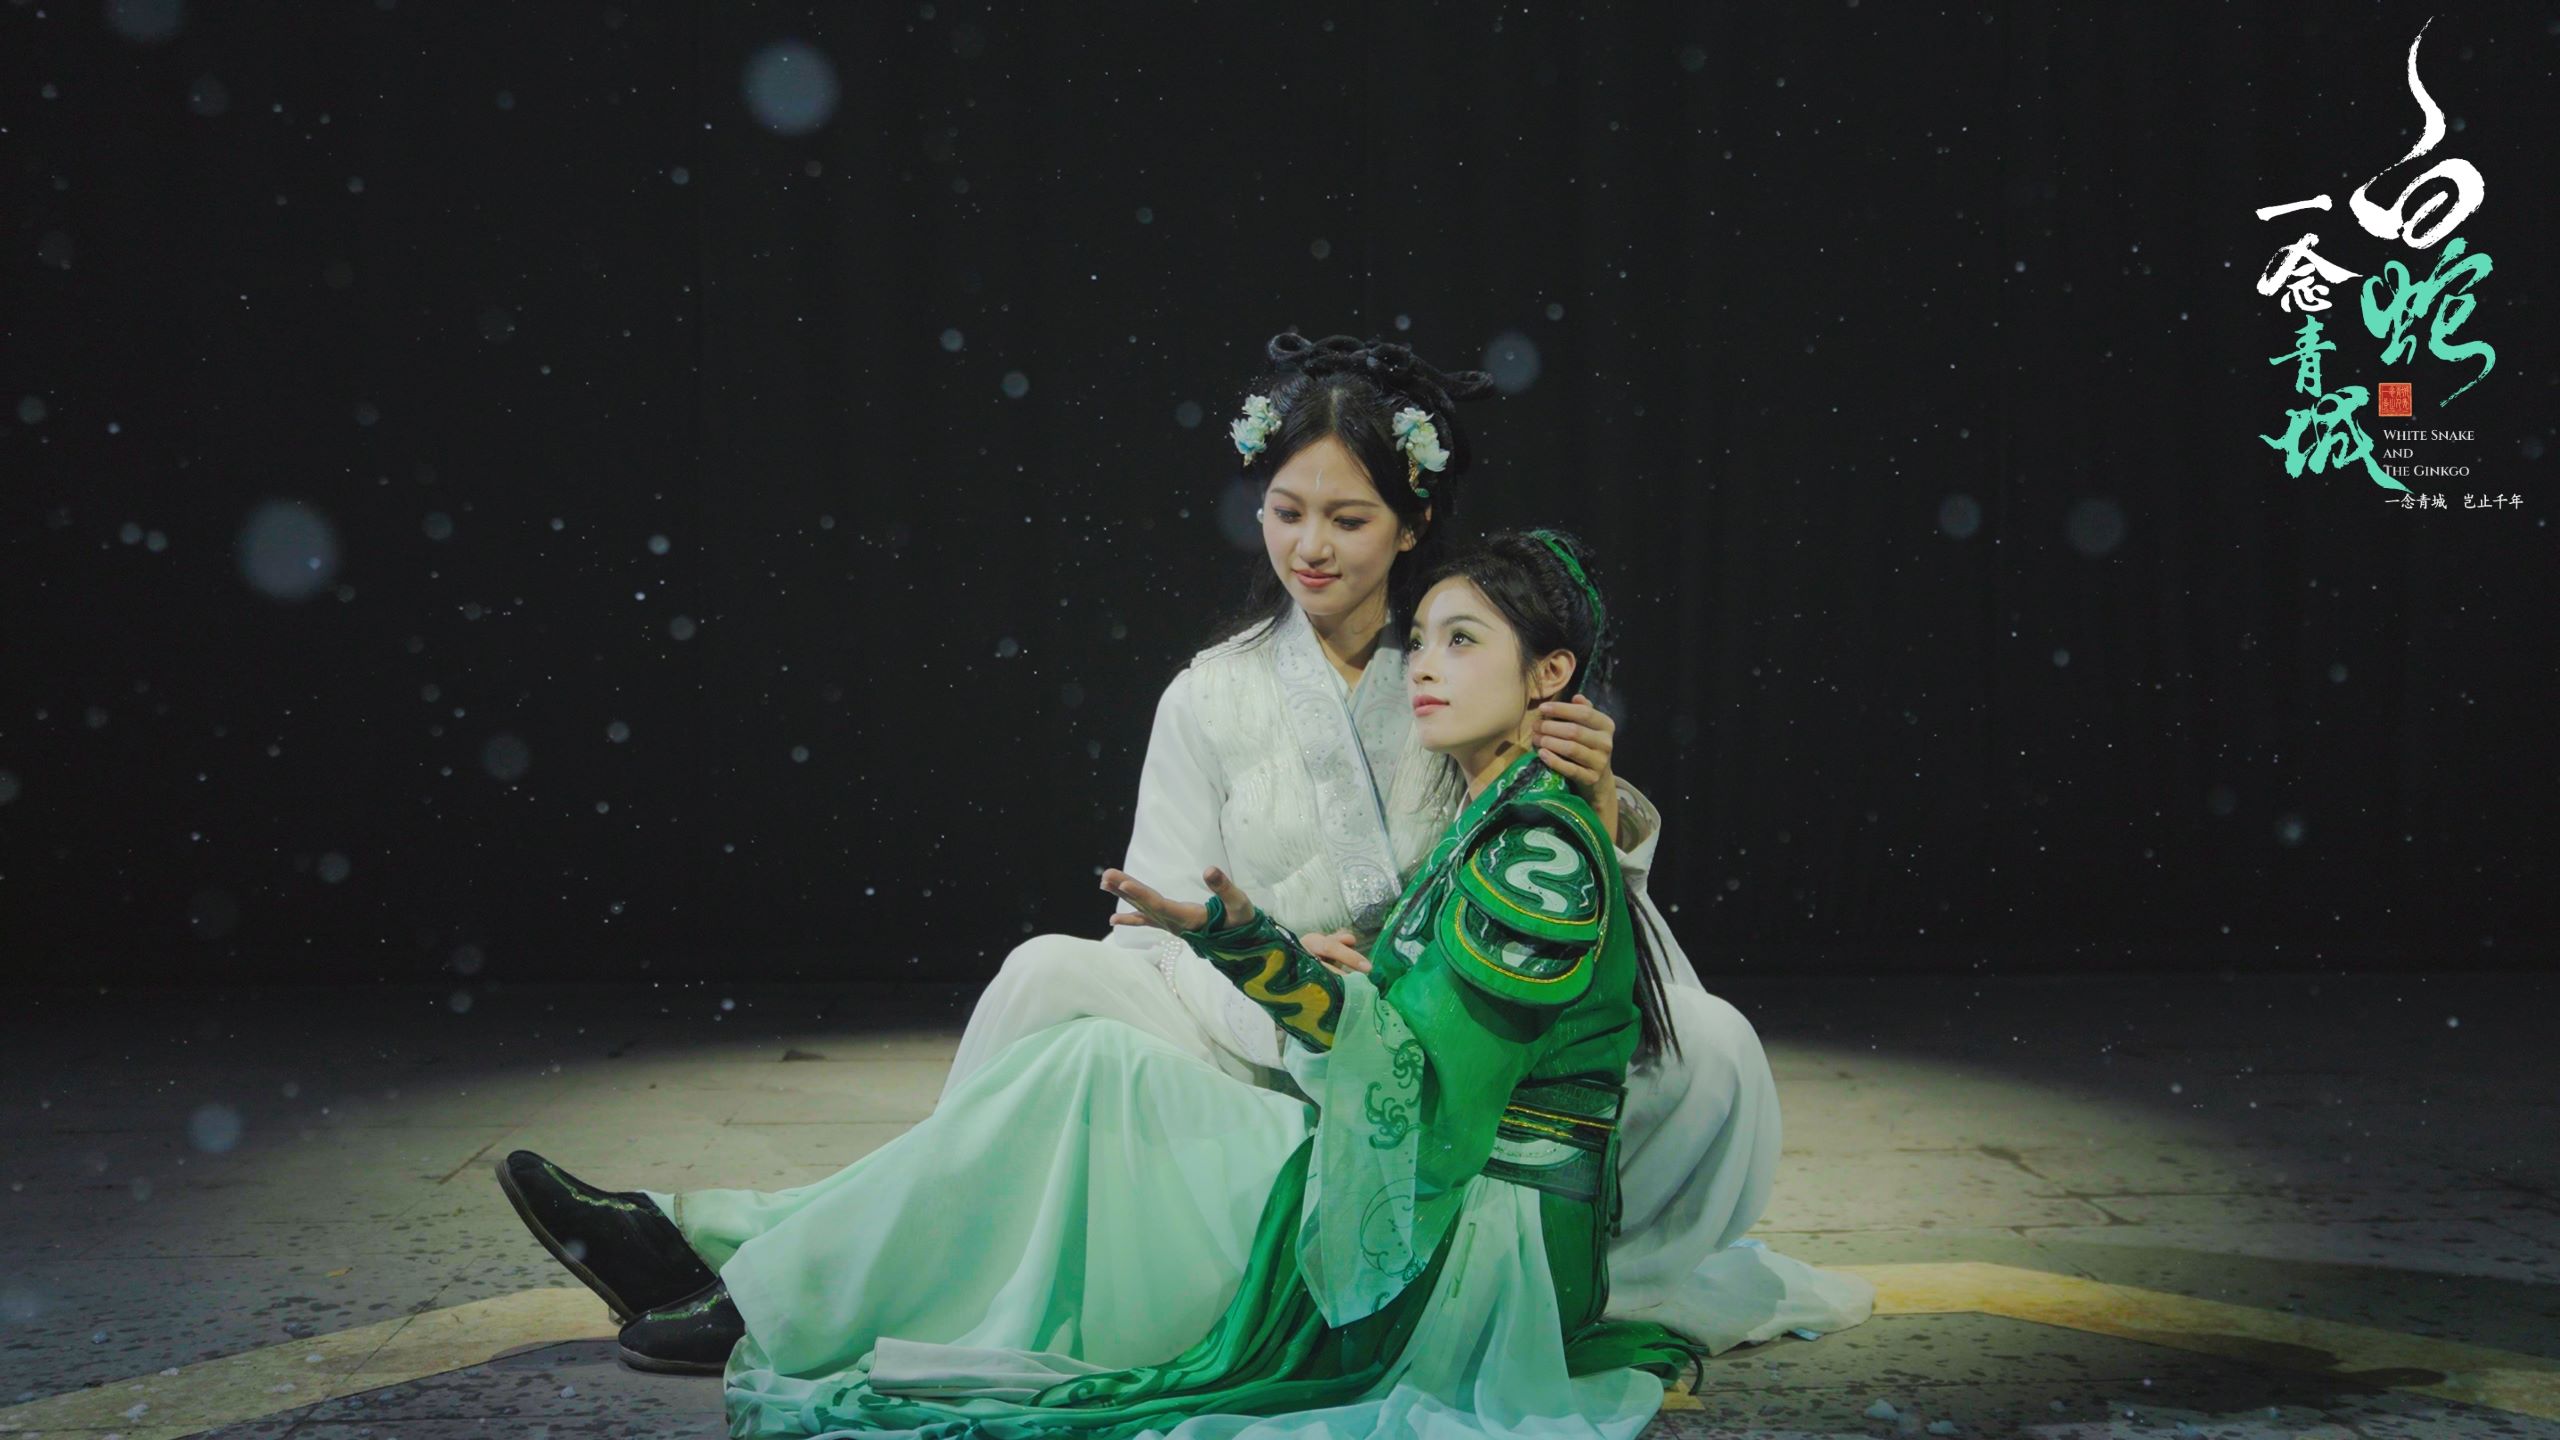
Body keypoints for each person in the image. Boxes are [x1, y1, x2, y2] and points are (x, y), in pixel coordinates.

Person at [494, 331, 1870, 1377]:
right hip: (1257, 1023)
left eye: (1349, 518)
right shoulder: (1212, 694)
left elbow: (1565, 922)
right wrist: (1273, 991)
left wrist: (1605, 806)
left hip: (1437, 1041)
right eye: (1285, 509)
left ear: (1413, 524)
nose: (1310, 546)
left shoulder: (1470, 666)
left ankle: (723, 1244)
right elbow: (1146, 933)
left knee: (1712, 1049)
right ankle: (802, 1252)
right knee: (1050, 977)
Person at [643, 529, 1828, 1438]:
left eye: (1462, 643)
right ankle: (804, 1279)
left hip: (1465, 1239)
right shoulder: (1467, 807)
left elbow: (1421, 1102)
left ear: (1550, 674)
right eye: (1423, 641)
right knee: (1072, 1031)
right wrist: (1239, 942)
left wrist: (1255, 953)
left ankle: (783, 1294)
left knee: (1094, 1076)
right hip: (1380, 1142)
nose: (1425, 666)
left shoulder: (1538, 848)